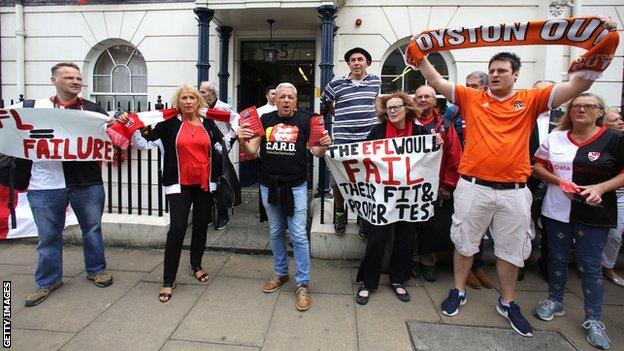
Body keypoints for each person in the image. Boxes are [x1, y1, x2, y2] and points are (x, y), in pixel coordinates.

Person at [417, 49, 603, 337]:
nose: (495, 75)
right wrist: (420, 55)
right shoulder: (471, 97)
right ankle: (458, 290)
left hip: (513, 191)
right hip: (473, 187)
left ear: (515, 75)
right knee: (465, 242)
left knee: (511, 251)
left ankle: (508, 302)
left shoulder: (530, 99)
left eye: (502, 71)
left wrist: (601, 52)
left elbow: (579, 86)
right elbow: (435, 81)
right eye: (492, 70)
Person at [533, 93, 623, 350]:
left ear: (600, 112)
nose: (581, 109)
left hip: (595, 211)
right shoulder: (555, 137)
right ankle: (555, 299)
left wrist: (601, 188)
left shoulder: (615, 139)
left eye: (589, 106)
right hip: (557, 208)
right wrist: (558, 181)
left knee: (590, 265)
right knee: (557, 257)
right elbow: (537, 166)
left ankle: (594, 318)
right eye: (576, 106)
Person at [23, 62, 114, 307]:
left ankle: (96, 269)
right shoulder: (33, 108)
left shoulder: (93, 109)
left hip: (86, 181)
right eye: (68, 77)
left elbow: (108, 137)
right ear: (53, 80)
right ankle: (47, 281)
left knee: (92, 229)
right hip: (45, 182)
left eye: (77, 77)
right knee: (48, 236)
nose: (75, 81)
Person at [238, 82, 331, 311]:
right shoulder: (265, 120)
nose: (286, 100)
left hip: (296, 187)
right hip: (269, 185)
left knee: (298, 234)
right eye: (282, 96)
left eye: (290, 97)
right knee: (276, 231)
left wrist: (325, 145)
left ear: (296, 101)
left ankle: (302, 283)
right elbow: (251, 150)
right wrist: (241, 138)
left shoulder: (306, 120)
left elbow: (316, 151)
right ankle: (281, 273)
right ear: (275, 99)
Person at [131, 85, 225, 303]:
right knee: (178, 228)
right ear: (178, 102)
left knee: (201, 225)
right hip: (179, 185)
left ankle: (196, 264)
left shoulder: (208, 123)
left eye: (193, 97)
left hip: (204, 184)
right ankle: (168, 279)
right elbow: (143, 143)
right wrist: (132, 127)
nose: (189, 101)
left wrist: (239, 134)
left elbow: (221, 144)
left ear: (199, 101)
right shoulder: (168, 125)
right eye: (185, 98)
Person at [355, 91, 442, 305]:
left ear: (407, 109)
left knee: (405, 240)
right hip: (382, 197)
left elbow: (430, 158)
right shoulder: (378, 131)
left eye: (397, 107)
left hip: (409, 197)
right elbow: (363, 157)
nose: (392, 111)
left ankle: (398, 279)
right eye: (389, 108)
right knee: (377, 239)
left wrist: (437, 143)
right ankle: (368, 282)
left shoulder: (420, 132)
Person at [321, 47, 381, 238]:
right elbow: (325, 101)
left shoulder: (376, 82)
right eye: (352, 60)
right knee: (339, 180)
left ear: (367, 63)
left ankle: (363, 216)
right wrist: (338, 114)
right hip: (342, 140)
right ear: (348, 64)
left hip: (368, 141)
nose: (356, 63)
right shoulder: (336, 83)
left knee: (365, 180)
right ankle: (340, 213)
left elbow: (379, 103)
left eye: (360, 59)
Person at [411, 86, 461, 283]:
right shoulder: (406, 122)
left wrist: (448, 184)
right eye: (419, 96)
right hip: (410, 185)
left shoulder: (444, 125)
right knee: (411, 225)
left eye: (427, 97)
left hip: (435, 185)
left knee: (432, 226)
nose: (423, 100)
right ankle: (413, 260)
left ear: (434, 101)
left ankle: (429, 263)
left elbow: (454, 156)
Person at [527, 79, 563, 282]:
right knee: (523, 221)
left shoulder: (564, 118)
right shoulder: (523, 114)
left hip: (555, 180)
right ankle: (521, 262)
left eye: (548, 92)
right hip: (525, 176)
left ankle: (547, 264)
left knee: (550, 222)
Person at [199, 81, 240, 230]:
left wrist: (227, 140)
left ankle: (223, 215)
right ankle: (208, 215)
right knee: (205, 183)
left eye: (203, 92)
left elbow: (237, 123)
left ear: (212, 93)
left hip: (220, 149)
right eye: (200, 91)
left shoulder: (223, 107)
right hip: (204, 149)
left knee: (219, 183)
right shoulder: (201, 109)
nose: (201, 94)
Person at [600, 107, 624, 288]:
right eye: (615, 120)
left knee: (615, 235)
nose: (620, 122)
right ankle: (599, 266)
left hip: (621, 195)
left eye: (620, 119)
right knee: (612, 234)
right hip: (599, 195)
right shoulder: (600, 141)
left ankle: (607, 266)